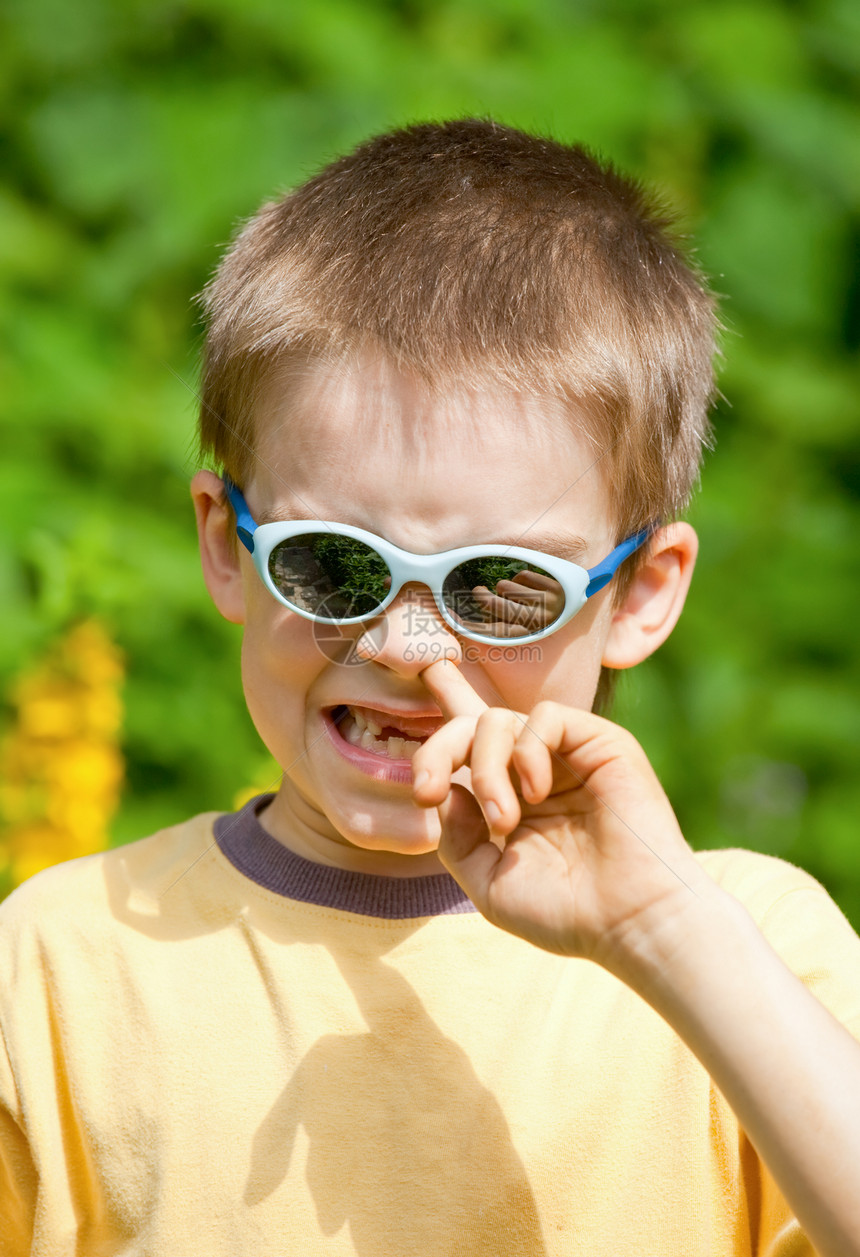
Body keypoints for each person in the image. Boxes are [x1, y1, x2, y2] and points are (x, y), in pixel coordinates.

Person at [2, 119, 859, 1257]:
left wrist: (660, 931)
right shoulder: (62, 963)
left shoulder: (749, 950)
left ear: (643, 591)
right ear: (226, 544)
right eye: (333, 564)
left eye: (498, 586)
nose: (405, 642)